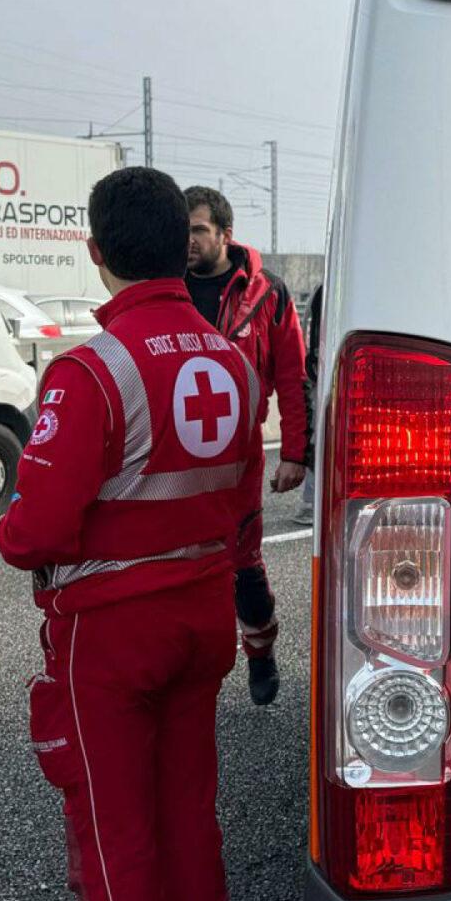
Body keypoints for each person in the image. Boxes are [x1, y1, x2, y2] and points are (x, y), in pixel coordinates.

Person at [0, 167, 262, 901]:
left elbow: (34, 530)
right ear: (185, 242)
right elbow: (243, 500)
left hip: (112, 632)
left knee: (113, 834)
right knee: (191, 818)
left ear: (97, 253)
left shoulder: (93, 367)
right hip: (198, 621)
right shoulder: (232, 358)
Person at [181, 186, 309, 706]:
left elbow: (293, 375)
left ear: (225, 235)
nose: (187, 241)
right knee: (177, 565)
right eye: (181, 230)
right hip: (175, 451)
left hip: (239, 455)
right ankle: (188, 671)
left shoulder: (267, 294)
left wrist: (297, 453)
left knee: (241, 563)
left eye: (198, 230)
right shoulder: (166, 288)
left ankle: (261, 651)